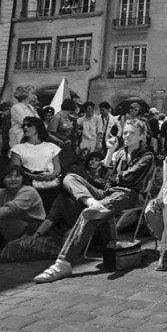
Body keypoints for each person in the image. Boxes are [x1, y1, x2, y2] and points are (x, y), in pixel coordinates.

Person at [33, 119, 155, 283]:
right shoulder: (119, 153)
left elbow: (131, 178)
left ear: (141, 136)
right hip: (106, 193)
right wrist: (110, 151)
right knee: (70, 178)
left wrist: (110, 178)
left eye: (131, 133)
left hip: (127, 194)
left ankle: (62, 263)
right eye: (125, 132)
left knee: (89, 215)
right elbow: (102, 176)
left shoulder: (147, 155)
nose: (126, 136)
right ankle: (91, 202)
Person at [9, 116, 62, 210]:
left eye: (29, 125)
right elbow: (16, 170)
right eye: (24, 125)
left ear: (38, 127)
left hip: (51, 181)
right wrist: (33, 176)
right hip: (29, 181)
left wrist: (53, 175)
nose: (25, 127)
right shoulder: (18, 148)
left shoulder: (51, 146)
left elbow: (57, 167)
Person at [0, 165, 45, 249]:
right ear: (3, 179)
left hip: (33, 231)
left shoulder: (29, 191)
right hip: (13, 232)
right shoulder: (3, 192)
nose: (13, 179)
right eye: (9, 176)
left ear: (23, 179)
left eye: (17, 176)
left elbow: (9, 210)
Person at [47, 98, 80, 171]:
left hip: (65, 146)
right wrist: (59, 141)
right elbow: (49, 133)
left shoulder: (67, 117)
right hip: (56, 146)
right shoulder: (56, 117)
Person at [9, 84, 39, 149]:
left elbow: (38, 121)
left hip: (33, 137)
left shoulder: (31, 107)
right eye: (32, 93)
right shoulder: (16, 107)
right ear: (26, 94)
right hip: (20, 138)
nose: (34, 95)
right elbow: (26, 122)